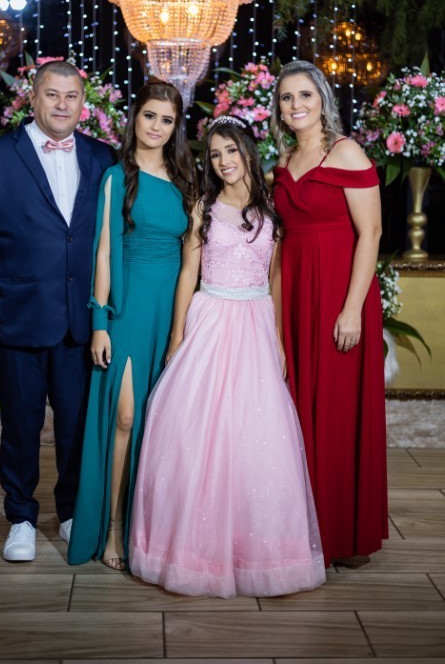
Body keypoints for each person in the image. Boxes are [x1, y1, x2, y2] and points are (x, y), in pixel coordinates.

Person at [128, 115, 326, 598]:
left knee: (257, 434)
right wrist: (177, 335)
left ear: (247, 151)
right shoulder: (203, 206)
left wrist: (278, 338)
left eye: (230, 150)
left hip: (255, 321)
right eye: (215, 154)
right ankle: (192, 552)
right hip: (211, 317)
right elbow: (188, 271)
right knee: (194, 428)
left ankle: (256, 552)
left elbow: (275, 276)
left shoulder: (272, 207)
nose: (223, 161)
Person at [0, 59, 116, 562]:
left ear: (83, 103)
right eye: (53, 95)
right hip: (15, 312)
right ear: (33, 97)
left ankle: (70, 512)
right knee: (20, 425)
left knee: (76, 425)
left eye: (72, 96)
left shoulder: (103, 156)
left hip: (80, 318)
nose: (63, 105)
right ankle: (20, 517)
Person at [67, 77, 197, 570]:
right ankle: (113, 529)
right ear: (135, 117)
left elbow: (195, 257)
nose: (157, 127)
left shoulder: (187, 182)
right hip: (126, 309)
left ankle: (152, 532)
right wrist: (99, 321)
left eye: (167, 120)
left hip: (172, 310)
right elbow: (103, 251)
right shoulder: (116, 177)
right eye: (150, 116)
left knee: (162, 425)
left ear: (175, 127)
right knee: (123, 417)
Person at [271, 59, 388, 569]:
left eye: (305, 95)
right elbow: (278, 245)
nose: (296, 105)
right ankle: (303, 528)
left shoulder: (346, 152)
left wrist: (352, 309)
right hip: (295, 295)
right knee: (296, 408)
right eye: (286, 97)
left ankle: (343, 533)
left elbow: (372, 233)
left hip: (341, 295)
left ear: (322, 100)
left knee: (338, 412)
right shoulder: (283, 159)